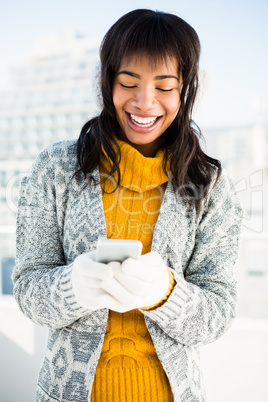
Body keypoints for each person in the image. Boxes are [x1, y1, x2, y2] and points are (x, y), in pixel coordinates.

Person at [13, 8, 243, 402]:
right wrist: (73, 288)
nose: (144, 102)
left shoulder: (210, 186)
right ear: (108, 82)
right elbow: (28, 290)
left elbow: (218, 315)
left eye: (164, 86)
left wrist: (166, 294)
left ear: (185, 89)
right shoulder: (55, 169)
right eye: (128, 82)